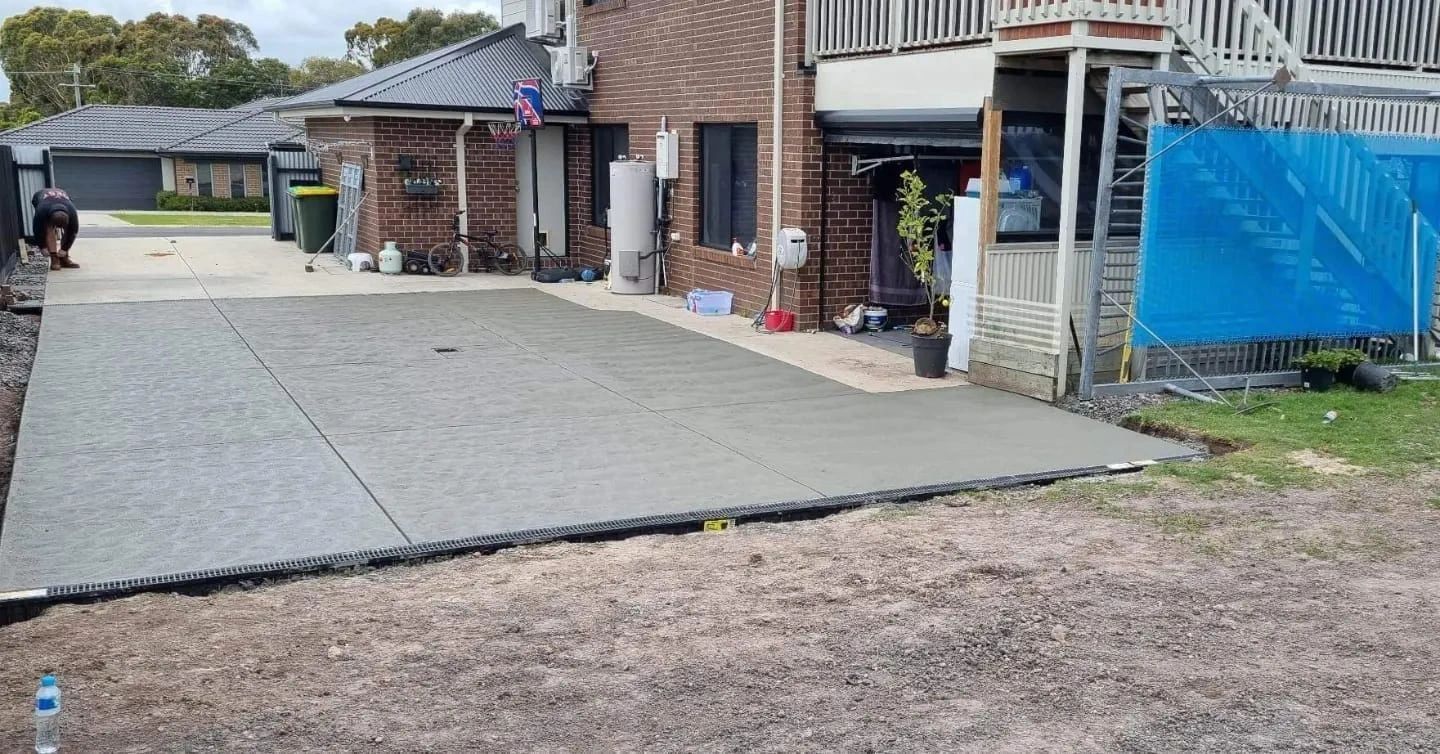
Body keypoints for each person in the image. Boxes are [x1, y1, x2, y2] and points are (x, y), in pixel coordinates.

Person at [31, 188, 79, 272]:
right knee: (48, 228)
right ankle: (54, 258)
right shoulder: (41, 210)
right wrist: (42, 247)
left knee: (68, 230)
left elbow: (73, 231)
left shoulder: (72, 211)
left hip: (61, 198)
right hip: (40, 197)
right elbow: (37, 230)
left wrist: (65, 248)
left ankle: (63, 258)